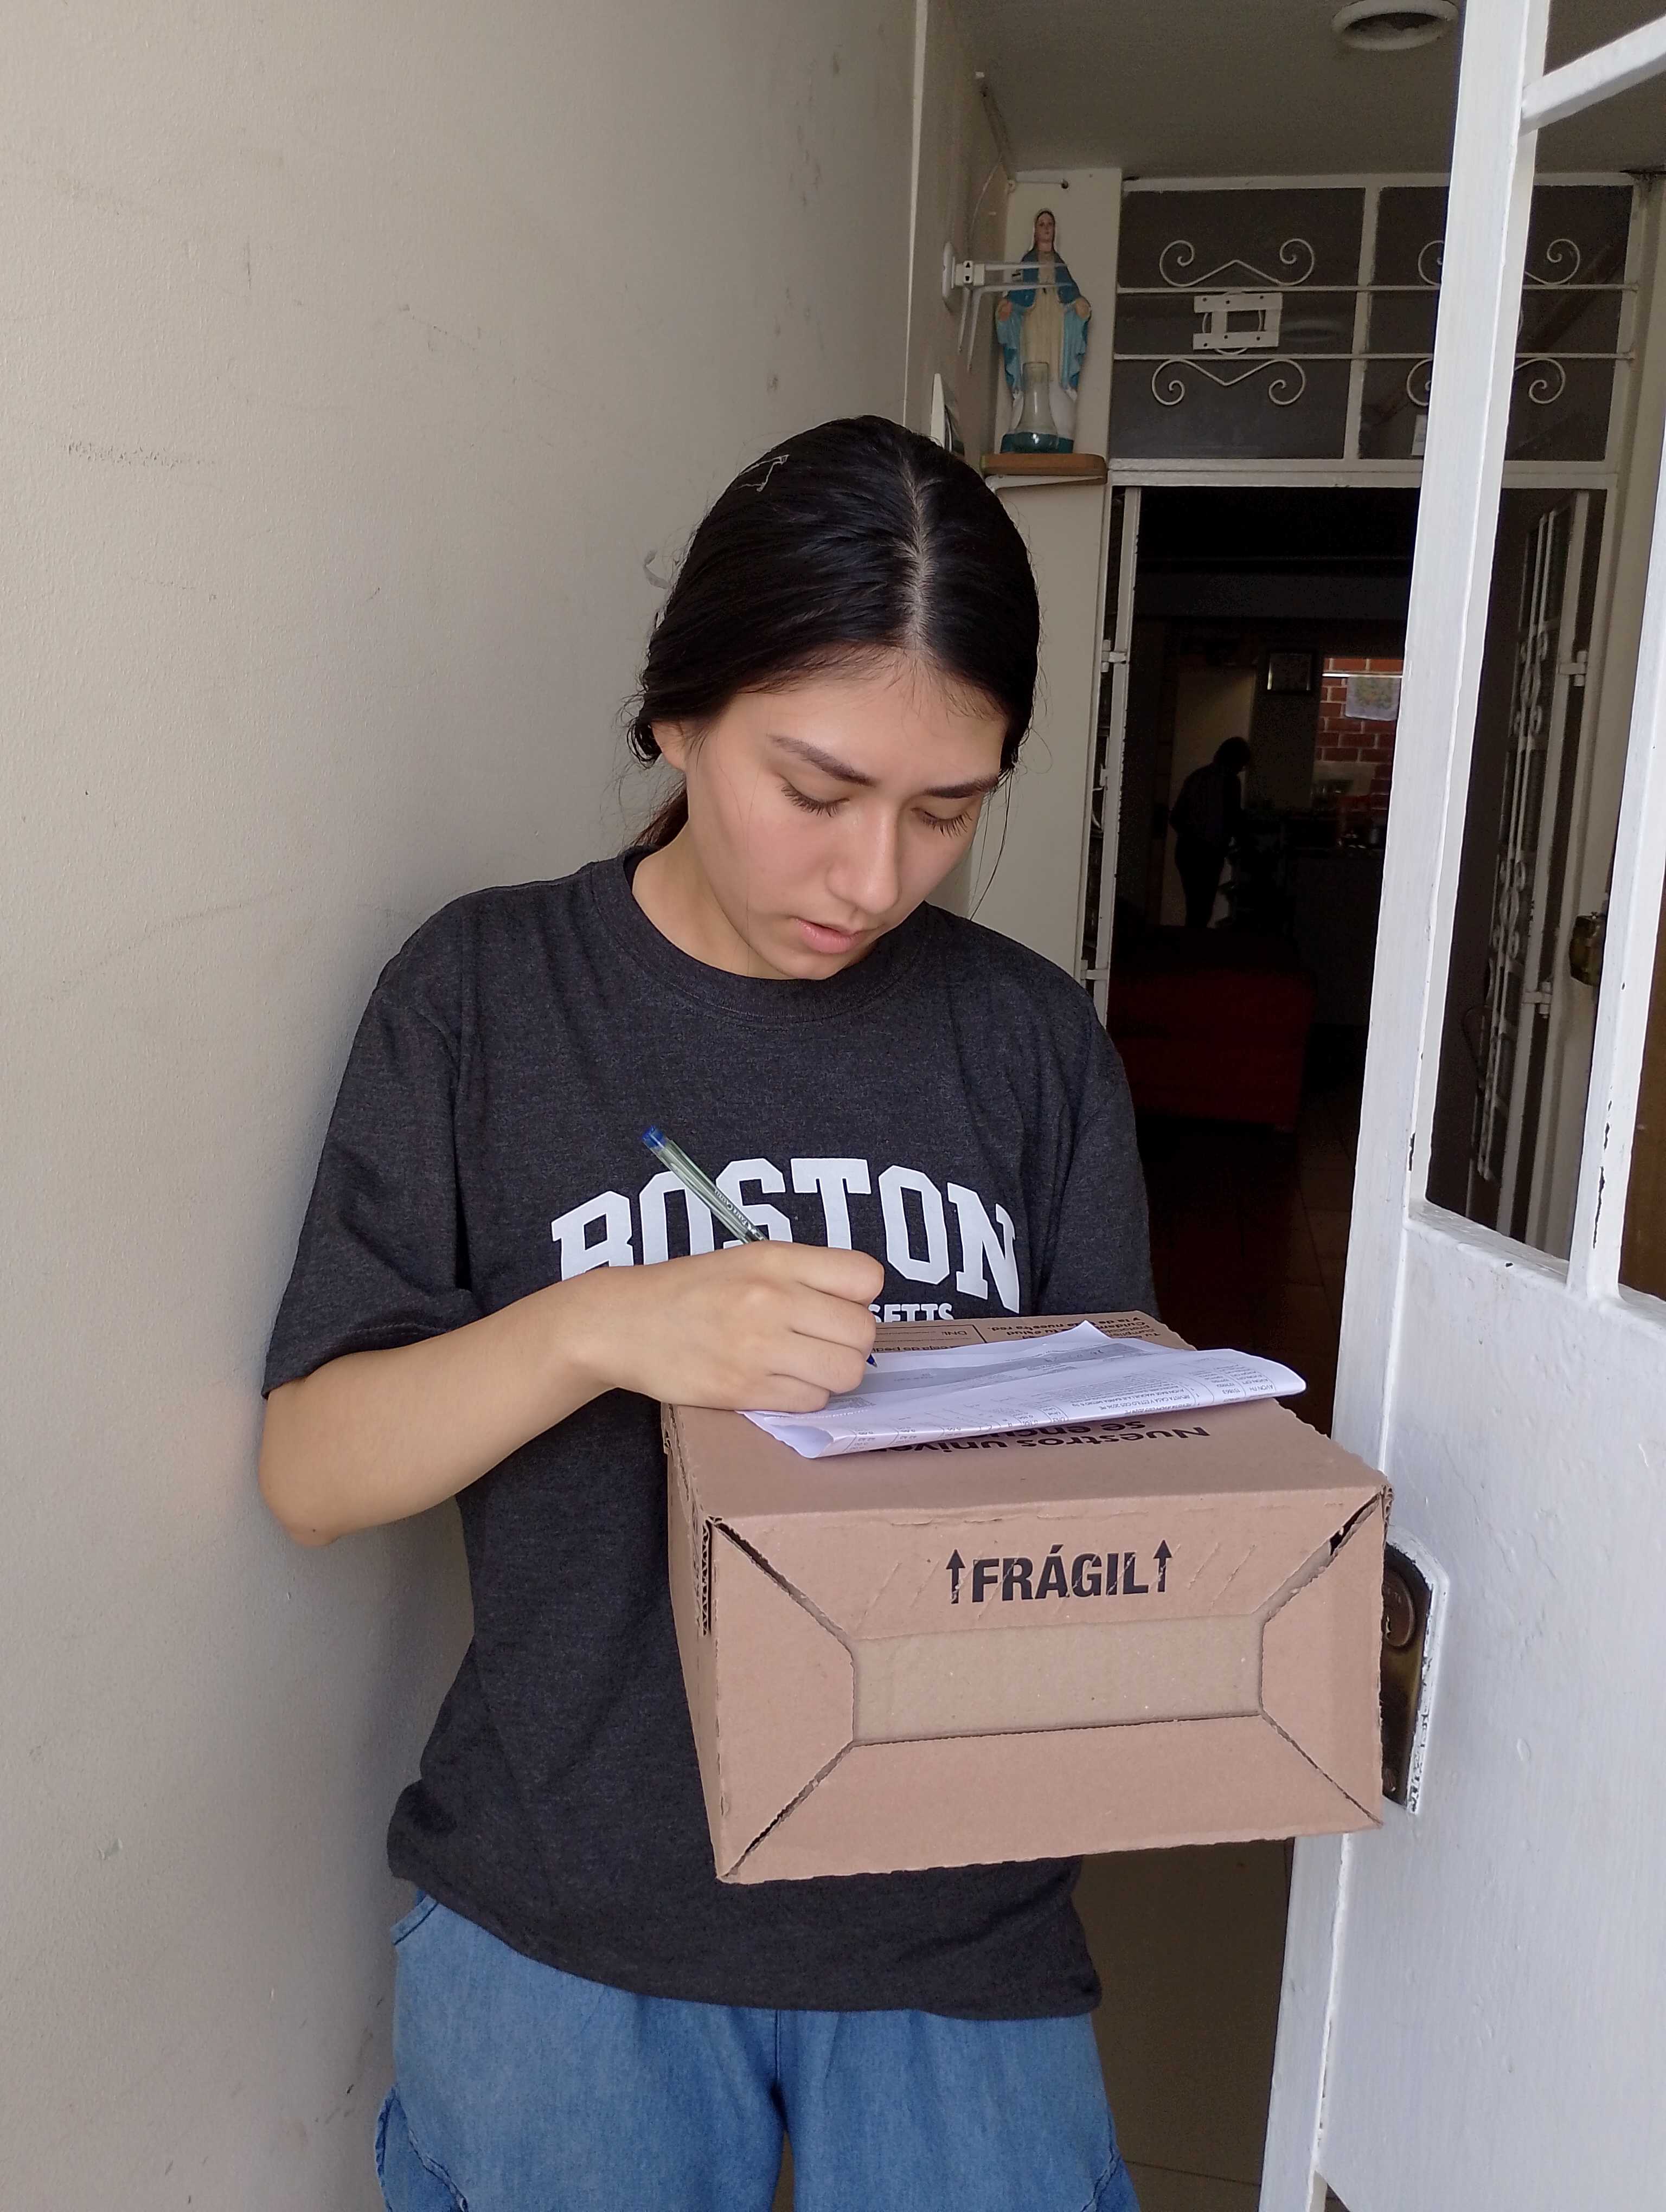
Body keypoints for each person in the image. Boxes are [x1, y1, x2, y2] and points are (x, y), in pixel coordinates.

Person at [258, 416, 1152, 2212]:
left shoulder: (1028, 1044)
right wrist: (600, 1330)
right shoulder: (486, 996)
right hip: (571, 1916)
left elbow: (1116, 1469)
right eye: (815, 791)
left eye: (946, 811)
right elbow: (312, 1469)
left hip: (951, 1917)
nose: (874, 877)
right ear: (677, 715)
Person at [996, 208, 1092, 445]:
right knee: (1032, 356)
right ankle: (1030, 402)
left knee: (1055, 360)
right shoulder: (1028, 262)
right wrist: (1008, 305)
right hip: (1033, 317)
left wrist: (1078, 304)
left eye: (1050, 224)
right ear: (1035, 231)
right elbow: (1018, 293)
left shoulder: (1060, 265)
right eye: (1042, 224)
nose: (1047, 228)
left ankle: (1055, 394)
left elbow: (1070, 293)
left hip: (1055, 319)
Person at [1170, 736, 1252, 930]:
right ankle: (1195, 942)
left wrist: (1191, 834)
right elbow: (1233, 817)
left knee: (1194, 903)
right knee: (1203, 906)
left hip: (1187, 848)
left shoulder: (1197, 776)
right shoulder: (1230, 781)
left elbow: (1176, 817)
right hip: (1209, 851)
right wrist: (1245, 842)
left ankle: (1190, 940)